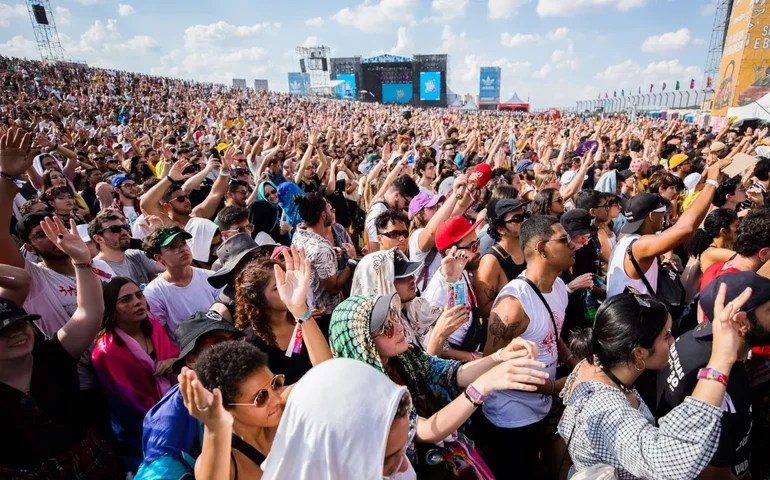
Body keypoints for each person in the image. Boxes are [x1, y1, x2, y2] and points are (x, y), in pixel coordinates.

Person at [328, 293, 549, 478]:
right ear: (365, 346)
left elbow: (453, 373)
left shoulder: (403, 358)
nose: (398, 327)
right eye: (386, 328)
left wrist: (500, 356)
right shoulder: (368, 392)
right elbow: (423, 430)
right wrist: (482, 387)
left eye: (394, 316)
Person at [559, 285, 751, 479]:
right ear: (639, 353)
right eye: (666, 336)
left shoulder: (594, 360)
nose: (673, 341)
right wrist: (721, 360)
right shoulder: (606, 409)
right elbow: (668, 462)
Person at [0, 217, 122, 478]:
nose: (17, 334)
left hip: (91, 466)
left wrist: (81, 261)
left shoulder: (53, 355)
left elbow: (88, 312)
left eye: (19, 324)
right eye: (4, 331)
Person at [477, 215, 577, 478]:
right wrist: (556, 387)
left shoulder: (557, 287)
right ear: (541, 248)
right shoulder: (513, 305)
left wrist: (571, 360)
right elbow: (490, 366)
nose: (574, 245)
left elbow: (551, 333)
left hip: (541, 407)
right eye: (564, 240)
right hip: (511, 417)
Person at [657, 272, 770, 479]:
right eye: (769, 310)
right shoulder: (729, 386)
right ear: (742, 323)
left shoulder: (690, 337)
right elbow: (711, 473)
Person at [135, 311, 246, 479]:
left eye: (236, 340)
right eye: (219, 342)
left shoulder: (236, 386)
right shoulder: (169, 418)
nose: (233, 349)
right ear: (191, 360)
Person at [91, 276, 180, 472]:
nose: (137, 302)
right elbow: (129, 400)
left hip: (175, 418)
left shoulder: (154, 326)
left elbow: (174, 355)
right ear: (110, 309)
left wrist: (173, 363)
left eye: (139, 295)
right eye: (126, 300)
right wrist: (172, 415)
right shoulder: (107, 351)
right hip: (137, 435)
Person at [606, 157, 728, 298]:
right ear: (651, 217)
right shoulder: (639, 245)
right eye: (662, 213)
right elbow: (686, 229)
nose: (665, 217)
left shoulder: (624, 238)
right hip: (633, 317)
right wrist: (712, 183)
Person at [233, 248, 332, 384]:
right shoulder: (250, 344)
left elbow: (328, 370)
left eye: (287, 280)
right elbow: (267, 396)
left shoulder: (309, 321)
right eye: (277, 287)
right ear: (258, 299)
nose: (288, 288)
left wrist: (301, 310)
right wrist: (310, 384)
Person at [351, 247, 466, 355]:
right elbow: (420, 373)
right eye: (401, 277)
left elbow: (450, 316)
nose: (412, 279)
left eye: (411, 273)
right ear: (381, 284)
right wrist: (438, 336)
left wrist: (452, 282)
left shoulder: (412, 308)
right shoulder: (381, 332)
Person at [422, 216, 484, 360]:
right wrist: (473, 357)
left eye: (478, 243)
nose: (479, 250)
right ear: (452, 252)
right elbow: (430, 343)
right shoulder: (436, 294)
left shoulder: (461, 271)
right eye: (473, 246)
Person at [141, 226, 221, 336]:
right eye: (172, 247)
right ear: (159, 258)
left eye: (183, 243)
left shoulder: (211, 278)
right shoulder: (153, 293)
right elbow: (162, 336)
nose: (183, 249)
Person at [291, 192, 355, 326]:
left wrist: (331, 253)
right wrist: (352, 261)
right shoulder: (321, 249)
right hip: (325, 314)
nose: (333, 211)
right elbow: (334, 288)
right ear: (323, 215)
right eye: (329, 209)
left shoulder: (299, 233)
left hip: (308, 307)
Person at [475, 198, 529, 321]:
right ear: (500, 229)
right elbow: (482, 310)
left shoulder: (529, 248)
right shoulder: (491, 261)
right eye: (517, 219)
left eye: (525, 215)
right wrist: (522, 305)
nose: (524, 221)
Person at [700, 208, 770, 292]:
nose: (738, 229)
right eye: (737, 226)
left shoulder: (715, 268)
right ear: (764, 253)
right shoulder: (747, 287)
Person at [89, 209, 164, 284]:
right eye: (115, 229)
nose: (124, 232)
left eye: (125, 227)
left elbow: (170, 266)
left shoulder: (136, 255)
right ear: (98, 239)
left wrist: (160, 235)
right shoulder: (95, 270)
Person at [365, 171, 420, 252]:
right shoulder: (377, 214)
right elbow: (375, 253)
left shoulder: (388, 206)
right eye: (407, 203)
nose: (407, 207)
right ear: (397, 195)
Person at [247, 180, 291, 245]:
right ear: (262, 196)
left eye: (273, 191)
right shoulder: (263, 211)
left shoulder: (283, 207)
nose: (272, 196)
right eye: (267, 195)